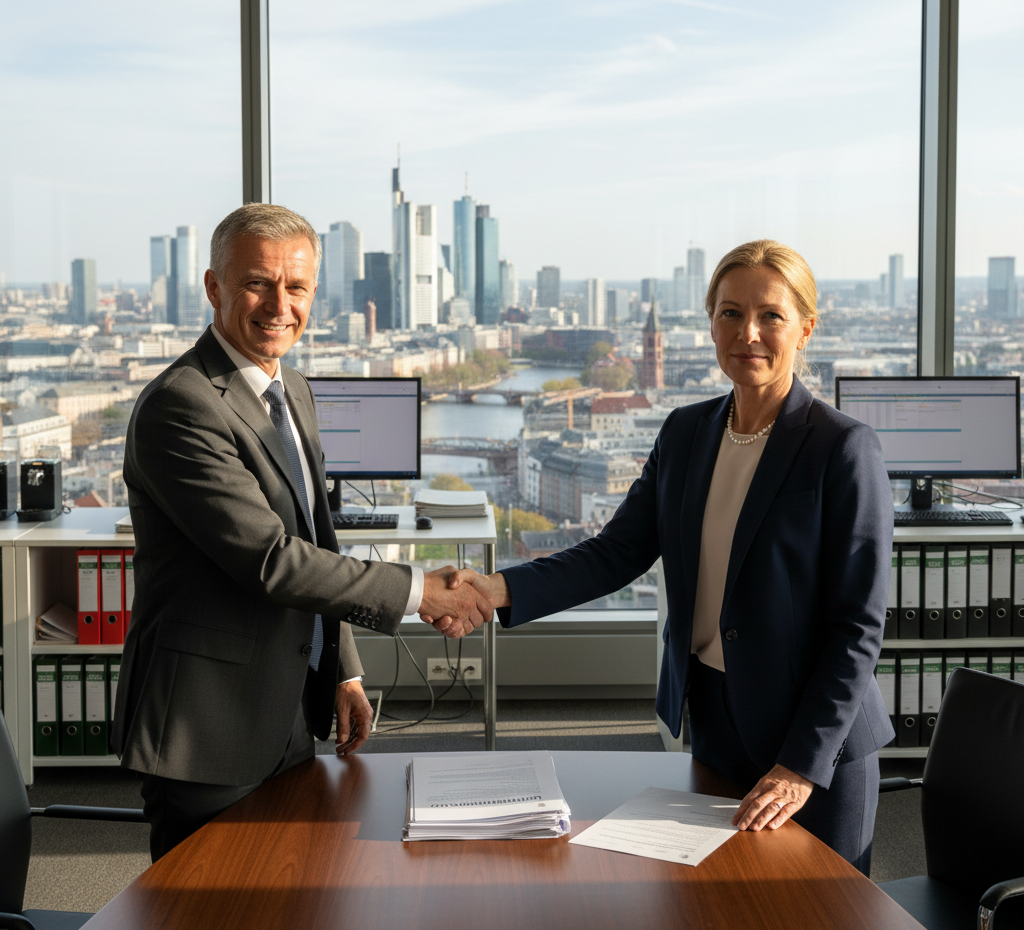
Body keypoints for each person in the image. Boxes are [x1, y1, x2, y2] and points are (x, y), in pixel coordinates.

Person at [442, 239, 894, 873]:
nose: (749, 333)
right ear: (710, 323)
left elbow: (857, 628)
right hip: (713, 717)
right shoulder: (685, 432)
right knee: (716, 902)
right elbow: (615, 552)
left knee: (821, 909)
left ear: (805, 328)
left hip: (815, 741)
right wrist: (497, 590)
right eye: (731, 313)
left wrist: (800, 765)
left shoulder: (843, 448)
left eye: (770, 315)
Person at [113, 203, 490, 861]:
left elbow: (316, 541)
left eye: (297, 287)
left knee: (286, 888)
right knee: (207, 902)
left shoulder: (293, 390)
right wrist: (420, 591)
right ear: (214, 287)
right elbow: (271, 558)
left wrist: (342, 670)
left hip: (286, 702)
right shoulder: (183, 404)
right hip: (209, 720)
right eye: (257, 283)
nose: (279, 305)